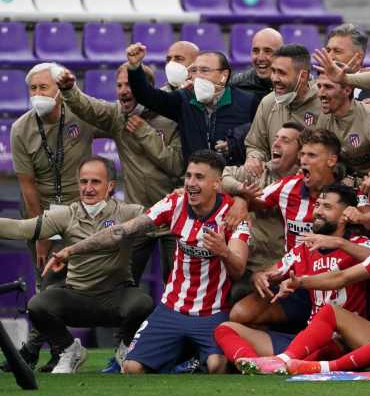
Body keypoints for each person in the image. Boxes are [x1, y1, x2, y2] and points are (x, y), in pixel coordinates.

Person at [44, 150, 251, 374]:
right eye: (188, 176)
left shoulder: (233, 215)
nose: (191, 183)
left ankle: (191, 360)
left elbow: (238, 269)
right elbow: (121, 231)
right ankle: (183, 359)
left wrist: (224, 252)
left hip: (212, 311)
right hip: (172, 308)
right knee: (132, 368)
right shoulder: (174, 203)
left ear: (217, 184)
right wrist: (71, 250)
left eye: (199, 177)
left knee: (217, 366)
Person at [239, 208, 370, 375]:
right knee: (330, 311)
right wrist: (302, 282)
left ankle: (321, 368)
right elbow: (341, 277)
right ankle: (284, 361)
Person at [0, 157, 154, 374]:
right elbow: (21, 229)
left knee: (143, 303)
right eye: (83, 182)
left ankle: (125, 348)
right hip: (77, 297)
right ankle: (71, 350)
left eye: (95, 182)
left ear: (110, 186)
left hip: (116, 297)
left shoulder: (128, 212)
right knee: (38, 305)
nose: (88, 188)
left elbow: (163, 218)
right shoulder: (66, 214)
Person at [213, 184, 370, 366]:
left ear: (345, 215)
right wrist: (259, 277)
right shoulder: (303, 248)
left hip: (343, 340)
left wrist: (339, 243)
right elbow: (271, 272)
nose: (318, 212)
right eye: (317, 205)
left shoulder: (358, 244)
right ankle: (257, 366)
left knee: (328, 346)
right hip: (308, 339)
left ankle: (288, 363)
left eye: (327, 207)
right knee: (225, 329)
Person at [11, 62, 100, 370]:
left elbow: (113, 121)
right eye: (33, 89)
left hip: (80, 212)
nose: (38, 94)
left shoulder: (80, 114)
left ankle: (38, 350)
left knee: (65, 283)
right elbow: (28, 187)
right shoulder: (21, 128)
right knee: (43, 282)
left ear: (59, 92)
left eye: (43, 87)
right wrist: (41, 234)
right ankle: (46, 349)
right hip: (42, 210)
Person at [56, 64, 181, 283]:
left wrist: (144, 132)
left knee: (176, 284)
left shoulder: (173, 115)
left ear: (146, 88)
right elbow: (90, 108)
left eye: (130, 85)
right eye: (119, 85)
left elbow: (176, 165)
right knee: (121, 281)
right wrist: (70, 91)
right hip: (138, 215)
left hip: (174, 217)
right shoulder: (118, 115)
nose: (123, 90)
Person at [124, 44, 258, 167]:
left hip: (235, 183)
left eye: (205, 70)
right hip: (196, 183)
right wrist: (135, 68)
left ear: (224, 75)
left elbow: (261, 141)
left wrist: (236, 144)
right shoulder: (184, 100)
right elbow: (147, 96)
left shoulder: (248, 102)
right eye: (194, 71)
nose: (198, 76)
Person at [220, 122, 303, 300]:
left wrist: (244, 200)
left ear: (300, 154)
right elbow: (223, 177)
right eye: (276, 138)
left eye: (285, 140)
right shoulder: (259, 171)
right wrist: (242, 192)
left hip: (280, 267)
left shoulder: (303, 183)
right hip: (248, 263)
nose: (276, 143)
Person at [310, 25, 370, 180]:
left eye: (337, 51)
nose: (329, 57)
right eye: (328, 50)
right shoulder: (314, 92)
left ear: (358, 58)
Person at [243, 44, 323, 177]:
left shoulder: (323, 105)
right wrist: (254, 158)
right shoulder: (268, 102)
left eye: (281, 72)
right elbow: (255, 145)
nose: (274, 78)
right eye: (273, 71)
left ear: (302, 76)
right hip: (272, 185)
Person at [230, 27, 283, 102]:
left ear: (281, 54)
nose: (260, 58)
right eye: (256, 51)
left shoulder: (294, 85)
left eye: (268, 51)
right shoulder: (237, 85)